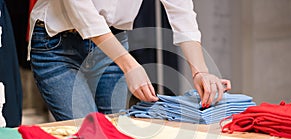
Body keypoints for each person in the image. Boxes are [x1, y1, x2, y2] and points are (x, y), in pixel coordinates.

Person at [28, 0, 231, 121]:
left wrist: (200, 71)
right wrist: (129, 64)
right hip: (58, 44)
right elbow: (80, 9)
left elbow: (181, 10)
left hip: (114, 40)